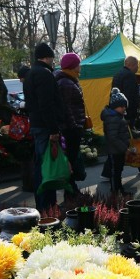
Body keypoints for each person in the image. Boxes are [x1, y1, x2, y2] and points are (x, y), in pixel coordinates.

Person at [23, 42, 65, 211]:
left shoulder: (31, 74)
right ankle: (46, 206)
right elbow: (46, 104)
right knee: (46, 167)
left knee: (42, 165)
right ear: (47, 57)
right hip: (45, 127)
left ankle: (46, 205)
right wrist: (54, 129)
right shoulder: (44, 74)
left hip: (37, 124)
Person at [111, 55, 140, 173]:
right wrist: (129, 115)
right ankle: (111, 171)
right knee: (133, 139)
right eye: (137, 65)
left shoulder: (117, 74)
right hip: (127, 115)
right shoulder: (129, 76)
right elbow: (129, 96)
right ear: (131, 64)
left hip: (117, 113)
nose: (138, 67)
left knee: (124, 140)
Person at [55, 52, 86, 195]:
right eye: (78, 64)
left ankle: (72, 189)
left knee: (72, 159)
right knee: (70, 160)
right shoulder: (66, 83)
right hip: (70, 129)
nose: (80, 67)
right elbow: (66, 108)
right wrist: (75, 126)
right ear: (73, 66)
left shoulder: (69, 80)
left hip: (73, 127)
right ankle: (71, 191)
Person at [101, 88, 132, 195]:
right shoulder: (113, 118)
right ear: (115, 107)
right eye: (122, 106)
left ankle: (119, 190)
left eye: (125, 106)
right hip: (115, 150)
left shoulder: (117, 116)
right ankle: (115, 192)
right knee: (115, 172)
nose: (124, 108)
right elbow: (113, 137)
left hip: (118, 149)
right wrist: (124, 148)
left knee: (118, 171)